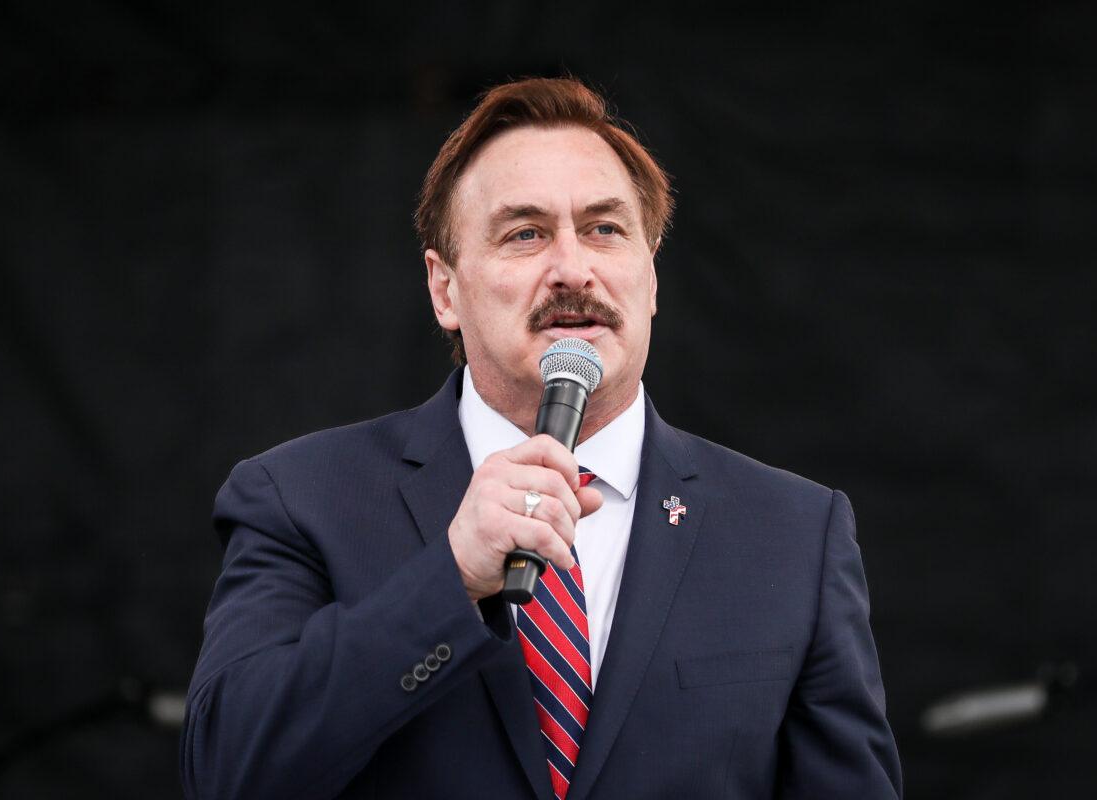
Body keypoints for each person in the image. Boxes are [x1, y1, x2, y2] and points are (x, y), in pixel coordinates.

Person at [180, 76, 903, 800]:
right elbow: (226, 771)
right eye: (525, 233)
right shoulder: (302, 497)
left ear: (650, 277)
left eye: (605, 229)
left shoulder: (793, 534)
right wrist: (452, 578)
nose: (571, 269)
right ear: (445, 289)